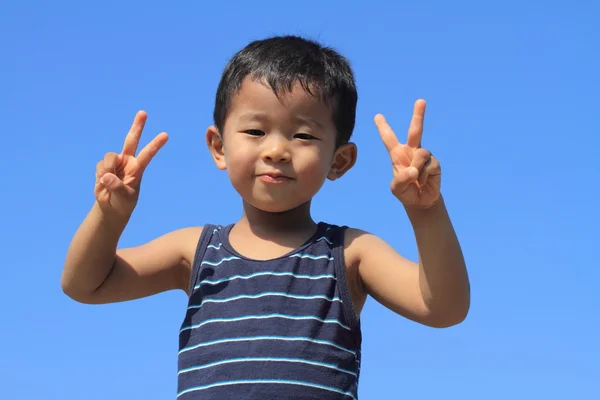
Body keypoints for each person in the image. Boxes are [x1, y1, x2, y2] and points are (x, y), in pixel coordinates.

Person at [61, 35, 470, 399]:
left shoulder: (349, 254)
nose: (276, 150)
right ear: (218, 147)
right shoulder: (195, 251)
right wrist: (108, 215)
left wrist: (426, 211)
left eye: (304, 135)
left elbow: (443, 308)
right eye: (256, 131)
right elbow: (85, 284)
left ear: (340, 160)